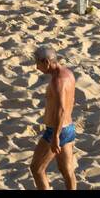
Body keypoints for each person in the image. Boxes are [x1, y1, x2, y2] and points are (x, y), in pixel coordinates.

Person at [29, 47, 77, 190]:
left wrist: (55, 136)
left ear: (47, 62)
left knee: (37, 168)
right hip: (68, 128)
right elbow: (71, 100)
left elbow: (61, 109)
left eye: (38, 63)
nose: (37, 67)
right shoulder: (68, 73)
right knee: (67, 170)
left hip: (56, 131)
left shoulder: (57, 81)